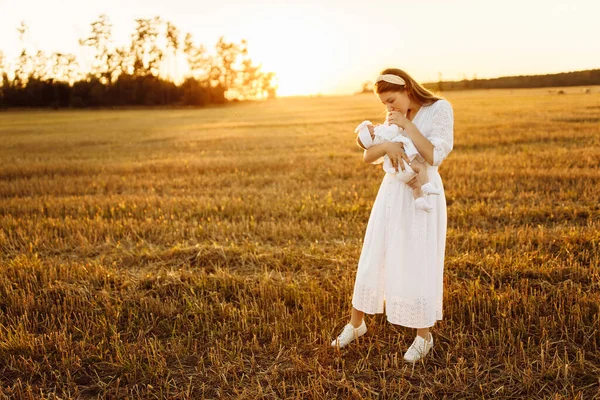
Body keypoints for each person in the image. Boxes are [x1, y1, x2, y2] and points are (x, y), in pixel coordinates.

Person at [331, 68, 454, 363]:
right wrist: (387, 143)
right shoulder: (391, 118)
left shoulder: (440, 108)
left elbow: (435, 156)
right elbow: (368, 155)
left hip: (422, 191)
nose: (389, 107)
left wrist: (407, 128)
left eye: (391, 100)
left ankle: (424, 336)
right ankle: (356, 323)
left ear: (407, 89)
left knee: (417, 257)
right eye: (384, 103)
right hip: (391, 192)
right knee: (374, 253)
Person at [354, 118, 442, 212]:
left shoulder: (377, 142)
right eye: (373, 127)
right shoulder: (382, 133)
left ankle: (419, 199)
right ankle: (427, 186)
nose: (377, 125)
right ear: (372, 136)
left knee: (415, 186)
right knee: (421, 168)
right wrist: (397, 124)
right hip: (404, 163)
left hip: (398, 173)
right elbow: (393, 130)